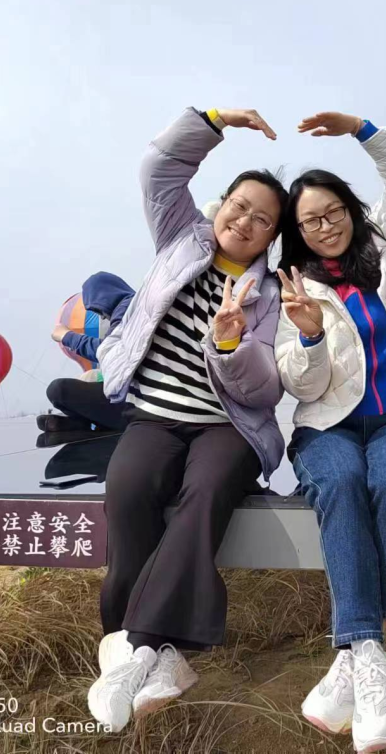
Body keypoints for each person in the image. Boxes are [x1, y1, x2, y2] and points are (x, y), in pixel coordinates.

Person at [88, 104, 287, 732]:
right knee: (127, 493)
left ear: (273, 237)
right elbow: (159, 168)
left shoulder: (271, 294)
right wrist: (214, 119)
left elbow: (266, 387)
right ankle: (157, 655)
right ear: (219, 204)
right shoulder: (181, 237)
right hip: (152, 415)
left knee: (204, 496)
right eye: (240, 206)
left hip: (228, 426)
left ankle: (134, 647)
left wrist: (230, 344)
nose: (245, 222)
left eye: (263, 219)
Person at [274, 111, 386, 753]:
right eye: (310, 221)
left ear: (350, 207)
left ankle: (355, 652)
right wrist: (311, 335)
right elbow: (301, 384)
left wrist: (360, 129)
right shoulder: (291, 287)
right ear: (297, 232)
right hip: (326, 425)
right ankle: (371, 653)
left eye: (333, 211)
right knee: (341, 482)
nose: (325, 226)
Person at [43, 272, 135, 433]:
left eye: (99, 310)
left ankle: (86, 424)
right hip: (134, 397)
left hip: (134, 403)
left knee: (58, 390)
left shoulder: (127, 307)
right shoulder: (135, 307)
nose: (103, 317)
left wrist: (66, 336)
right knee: (89, 379)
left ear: (105, 296)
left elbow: (109, 352)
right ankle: (85, 422)